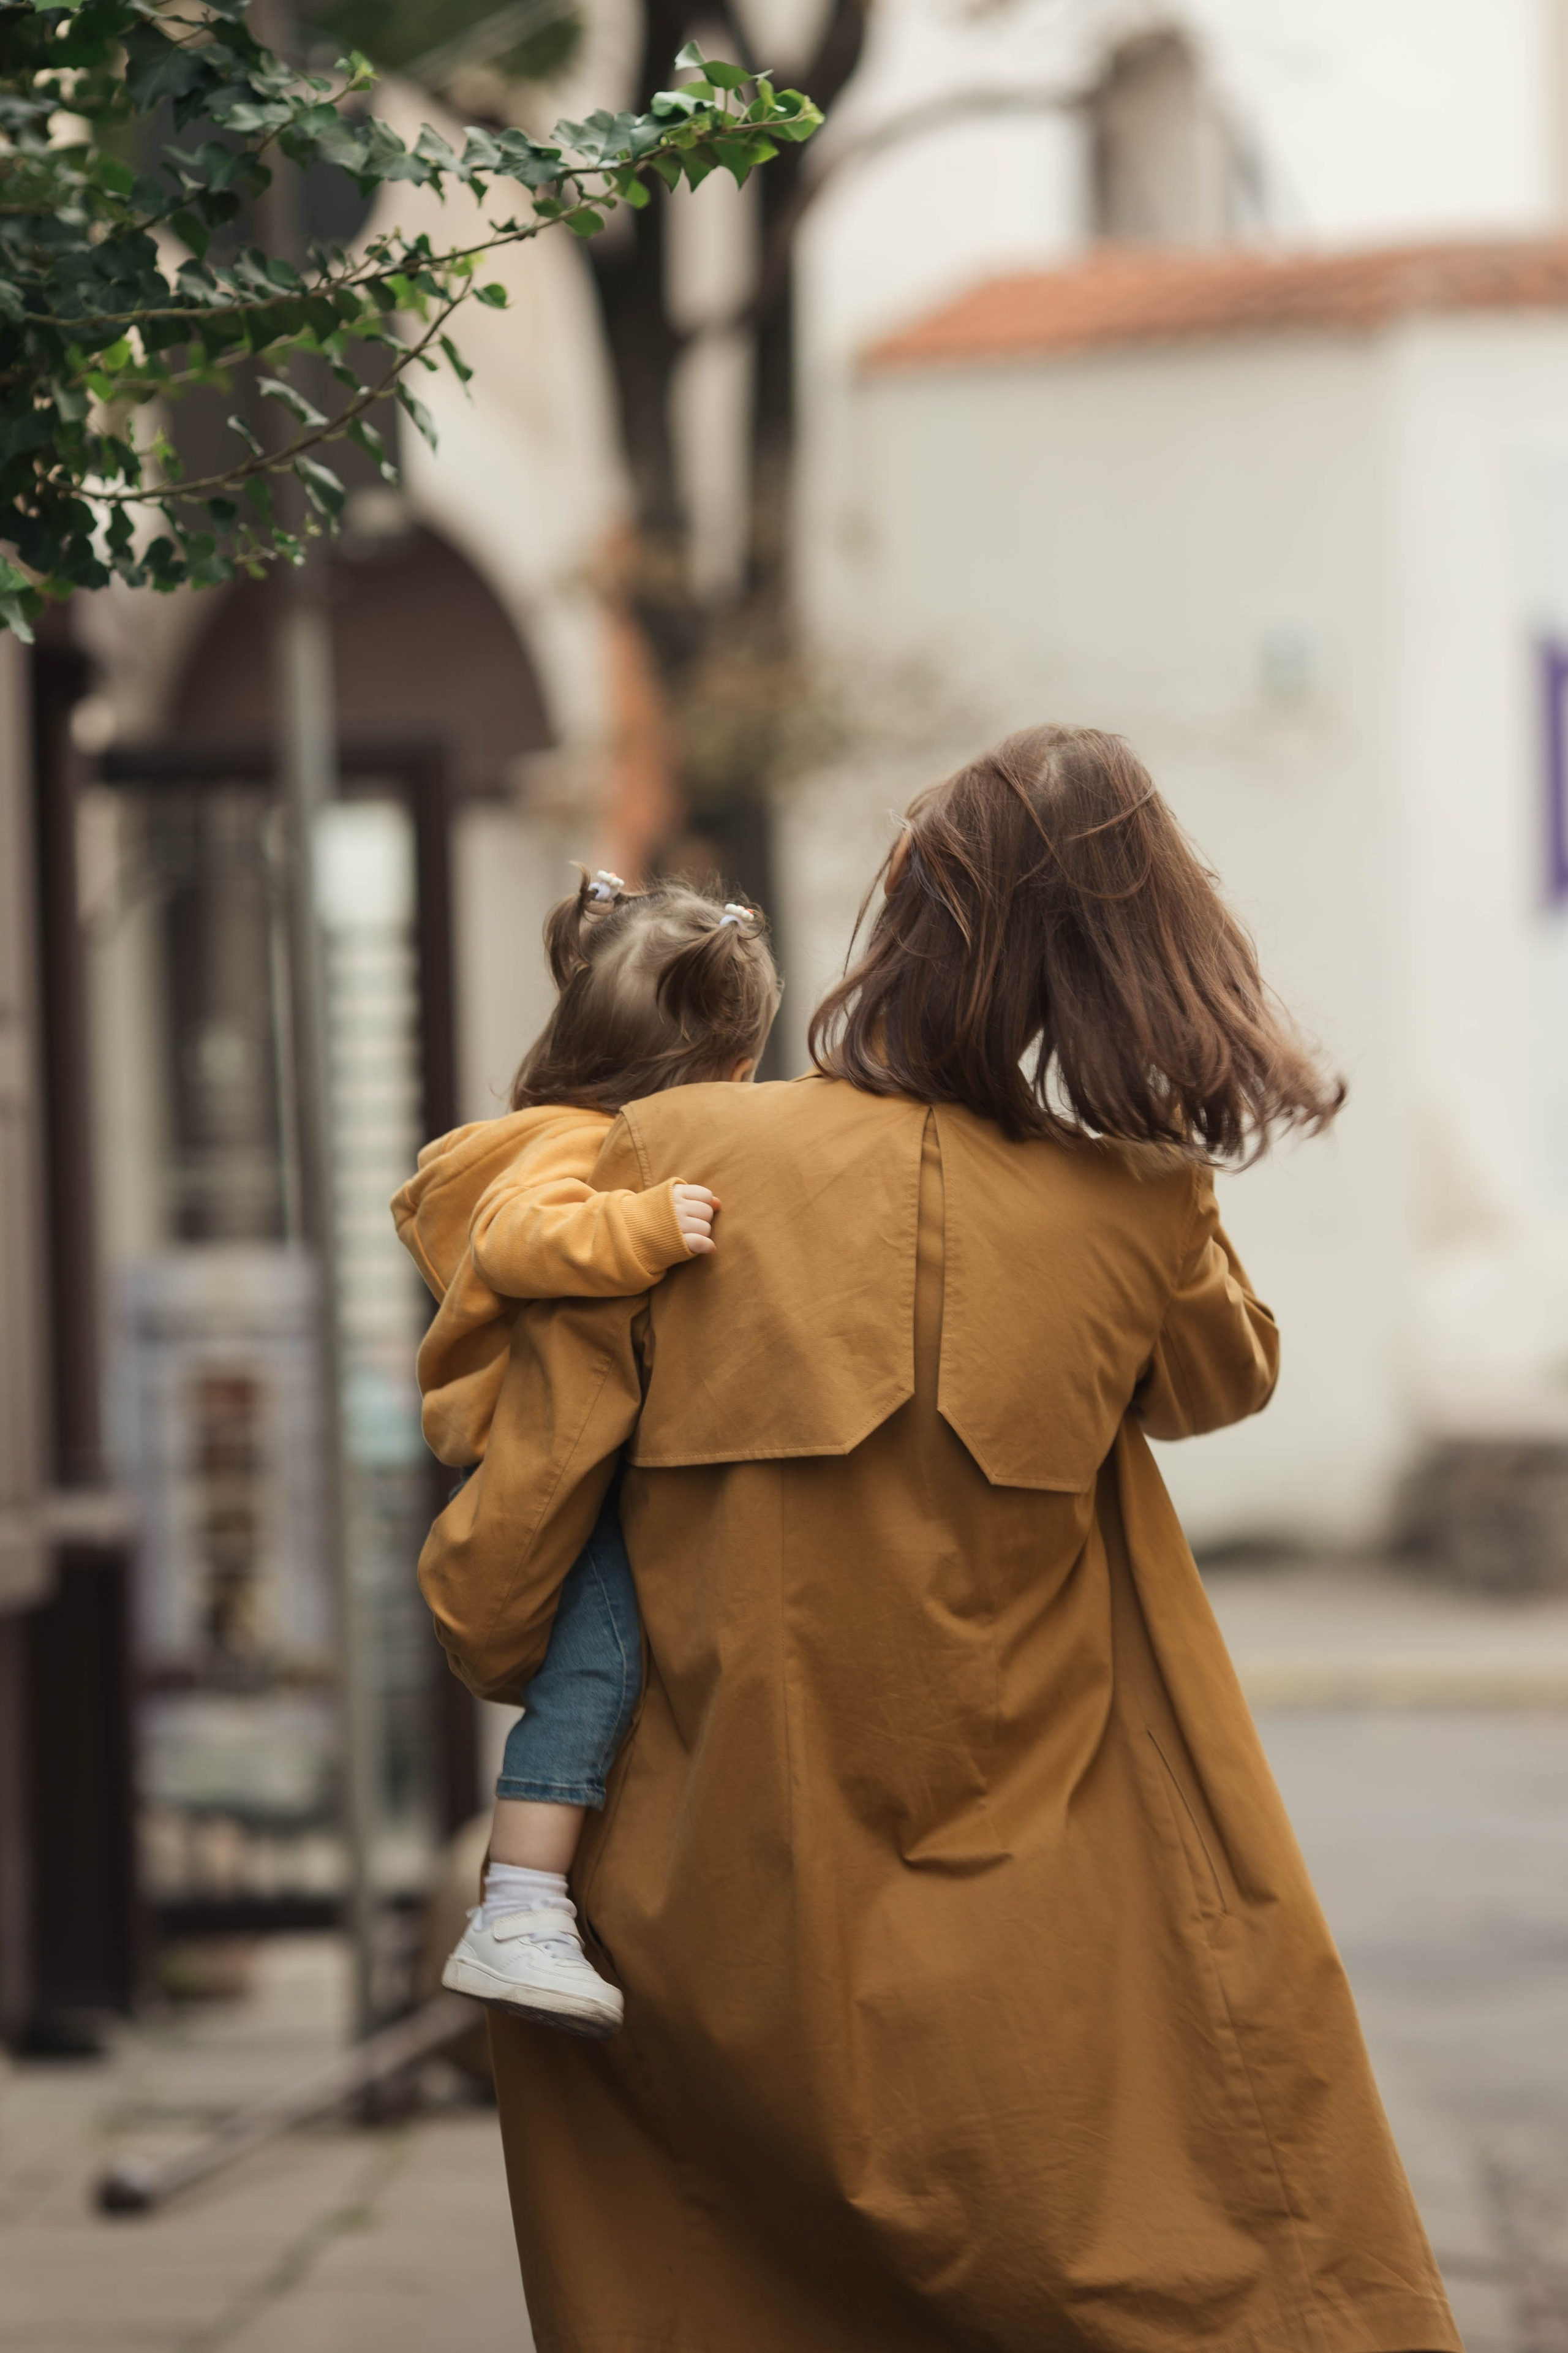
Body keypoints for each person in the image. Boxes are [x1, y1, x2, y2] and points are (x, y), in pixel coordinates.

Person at [420, 725, 1461, 2353]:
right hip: (1055, 1942)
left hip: (704, 1912)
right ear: (1140, 959)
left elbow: (507, 1567)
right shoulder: (1139, 1211)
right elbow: (1218, 1382)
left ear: (898, 924)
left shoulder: (682, 1160)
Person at [391, 870, 780, 2035]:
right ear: (713, 1070)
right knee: (599, 1668)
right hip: (534, 1456)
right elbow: (520, 1240)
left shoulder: (550, 1134)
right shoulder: (570, 1154)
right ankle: (516, 1906)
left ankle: (531, 1897)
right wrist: (645, 1227)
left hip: (546, 1449)